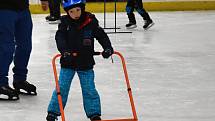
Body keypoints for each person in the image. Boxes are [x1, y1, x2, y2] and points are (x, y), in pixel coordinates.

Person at [46, 0, 114, 120]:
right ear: (67, 12)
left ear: (82, 8)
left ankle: (94, 114)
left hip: (85, 62)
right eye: (71, 11)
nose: (75, 14)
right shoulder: (65, 22)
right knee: (61, 88)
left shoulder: (91, 21)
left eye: (78, 10)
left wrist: (107, 48)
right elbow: (60, 38)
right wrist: (64, 51)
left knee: (89, 89)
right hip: (68, 62)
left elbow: (101, 35)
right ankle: (53, 112)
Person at [0, 0, 49, 100]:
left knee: (25, 46)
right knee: (6, 48)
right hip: (4, 9)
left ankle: (20, 79)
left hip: (23, 9)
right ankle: (1, 83)